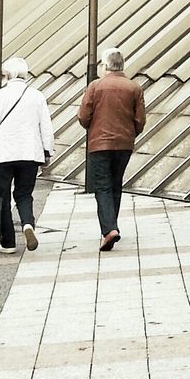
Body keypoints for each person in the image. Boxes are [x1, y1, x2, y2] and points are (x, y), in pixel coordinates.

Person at [0, 56, 54, 253]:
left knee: (2, 198)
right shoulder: (37, 96)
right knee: (24, 194)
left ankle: (8, 242)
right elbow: (46, 127)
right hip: (29, 154)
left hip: (2, 156)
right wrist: (47, 151)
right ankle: (28, 224)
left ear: (7, 75)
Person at [77, 47, 146, 252]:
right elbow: (140, 120)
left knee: (103, 187)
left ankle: (109, 229)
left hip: (100, 144)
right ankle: (111, 227)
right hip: (124, 144)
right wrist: (130, 133)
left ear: (105, 66)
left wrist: (93, 127)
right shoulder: (134, 88)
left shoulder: (96, 86)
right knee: (116, 185)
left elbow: (83, 116)